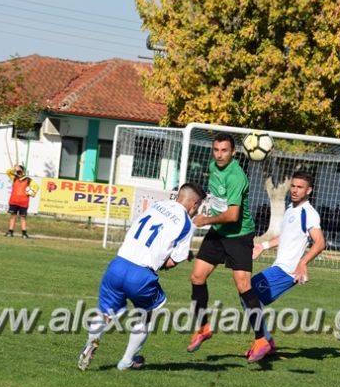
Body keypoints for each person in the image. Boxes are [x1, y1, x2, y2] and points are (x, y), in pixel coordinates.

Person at [77, 182, 206, 371]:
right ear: (194, 205)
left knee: (105, 313)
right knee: (147, 314)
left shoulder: (157, 205)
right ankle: (127, 361)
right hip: (141, 275)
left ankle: (91, 341)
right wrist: (167, 260)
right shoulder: (187, 224)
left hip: (118, 265)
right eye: (199, 206)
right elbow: (171, 262)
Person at [186, 132, 268, 363]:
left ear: (233, 152)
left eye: (224, 150)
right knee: (197, 277)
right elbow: (216, 197)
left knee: (243, 285)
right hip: (219, 233)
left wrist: (205, 220)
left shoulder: (236, 177)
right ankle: (203, 328)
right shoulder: (213, 166)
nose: (219, 155)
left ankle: (261, 339)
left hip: (239, 235)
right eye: (216, 150)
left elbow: (233, 215)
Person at [250, 171, 326, 357]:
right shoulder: (291, 210)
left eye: (300, 187)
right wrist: (263, 245)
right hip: (280, 267)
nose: (295, 190)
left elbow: (320, 243)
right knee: (249, 295)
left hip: (288, 271)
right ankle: (265, 341)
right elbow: (286, 236)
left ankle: (264, 341)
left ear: (309, 191)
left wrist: (303, 262)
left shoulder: (309, 213)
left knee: (248, 294)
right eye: (293, 186)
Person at [4, 164, 36, 239]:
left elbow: (36, 186)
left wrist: (33, 192)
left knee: (23, 217)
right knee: (12, 216)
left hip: (23, 202)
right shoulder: (14, 178)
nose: (19, 172)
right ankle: (10, 231)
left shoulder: (28, 179)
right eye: (18, 171)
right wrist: (14, 168)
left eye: (20, 171)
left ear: (23, 171)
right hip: (14, 201)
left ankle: (24, 233)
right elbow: (7, 172)